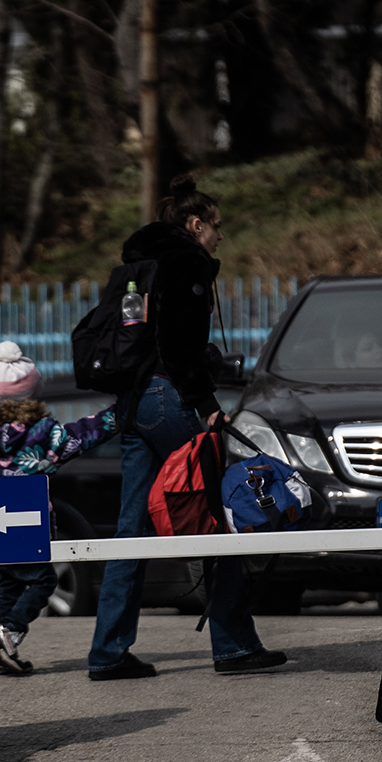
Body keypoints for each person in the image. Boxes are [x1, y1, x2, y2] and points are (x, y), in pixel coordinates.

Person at [86, 177, 287, 680]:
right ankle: (235, 644)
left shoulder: (139, 263)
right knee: (215, 516)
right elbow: (177, 343)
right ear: (195, 225)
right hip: (169, 398)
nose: (221, 237)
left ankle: (108, 652)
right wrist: (206, 401)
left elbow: (152, 336)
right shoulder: (186, 262)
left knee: (130, 532)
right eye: (217, 227)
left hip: (133, 401)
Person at [0, 341, 117, 675]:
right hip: (28, 527)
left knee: (10, 585)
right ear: (34, 390)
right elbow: (83, 436)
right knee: (42, 581)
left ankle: (0, 653)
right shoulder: (42, 434)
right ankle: (10, 630)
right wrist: (116, 415)